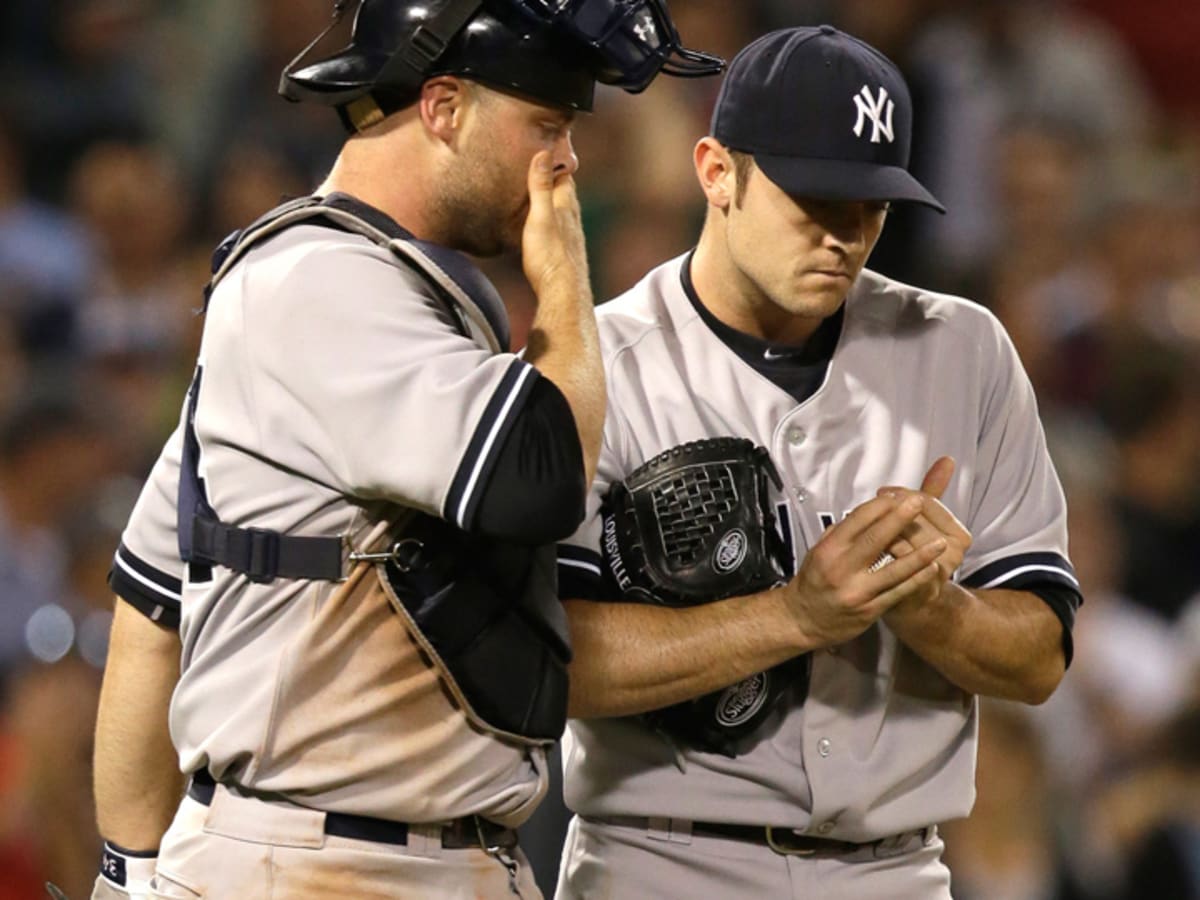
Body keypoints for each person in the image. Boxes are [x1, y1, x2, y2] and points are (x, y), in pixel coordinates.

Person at [88, 2, 723, 898]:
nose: (566, 163)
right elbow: (539, 479)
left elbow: (156, 597)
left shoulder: (376, 292)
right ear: (443, 107)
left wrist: (130, 869)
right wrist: (568, 281)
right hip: (317, 856)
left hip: (405, 853)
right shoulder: (320, 282)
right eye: (546, 124)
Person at [553, 25, 1082, 899]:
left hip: (897, 870)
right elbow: (556, 661)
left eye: (869, 206)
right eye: (815, 199)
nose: (843, 235)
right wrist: (796, 616)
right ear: (717, 171)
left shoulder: (962, 350)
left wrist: (933, 610)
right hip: (664, 864)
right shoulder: (601, 363)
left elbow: (1041, 657)